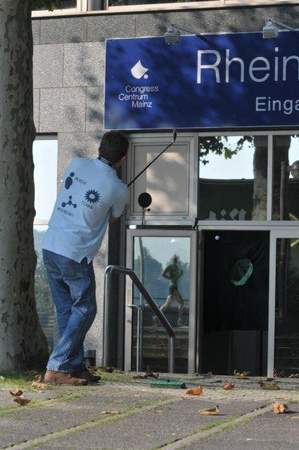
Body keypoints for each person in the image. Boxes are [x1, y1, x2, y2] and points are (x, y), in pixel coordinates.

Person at [42, 131, 129, 385]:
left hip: (51, 246)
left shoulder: (77, 164)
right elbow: (113, 217)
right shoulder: (118, 188)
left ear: (100, 147)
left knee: (67, 311)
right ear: (123, 159)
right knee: (86, 309)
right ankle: (57, 366)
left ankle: (74, 366)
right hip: (75, 252)